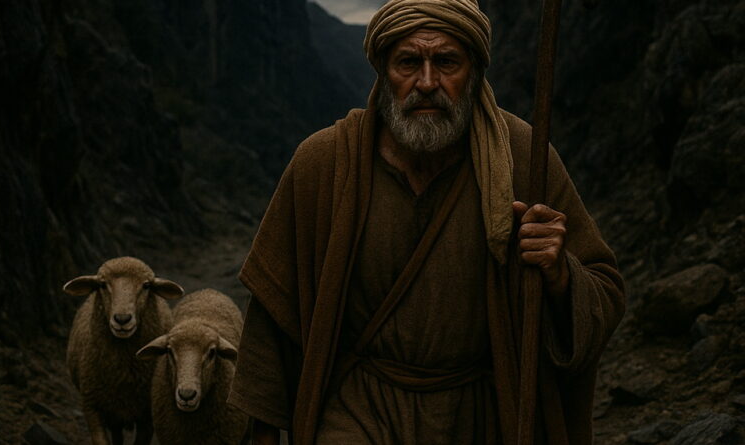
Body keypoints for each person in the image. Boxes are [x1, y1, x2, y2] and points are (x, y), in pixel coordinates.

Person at [228, 1, 625, 444]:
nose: (428, 82)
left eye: (447, 62)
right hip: (360, 407)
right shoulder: (323, 164)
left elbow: (605, 291)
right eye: (408, 62)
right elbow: (274, 313)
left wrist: (559, 275)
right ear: (383, 71)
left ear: (473, 70)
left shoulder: (524, 158)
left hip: (481, 412)